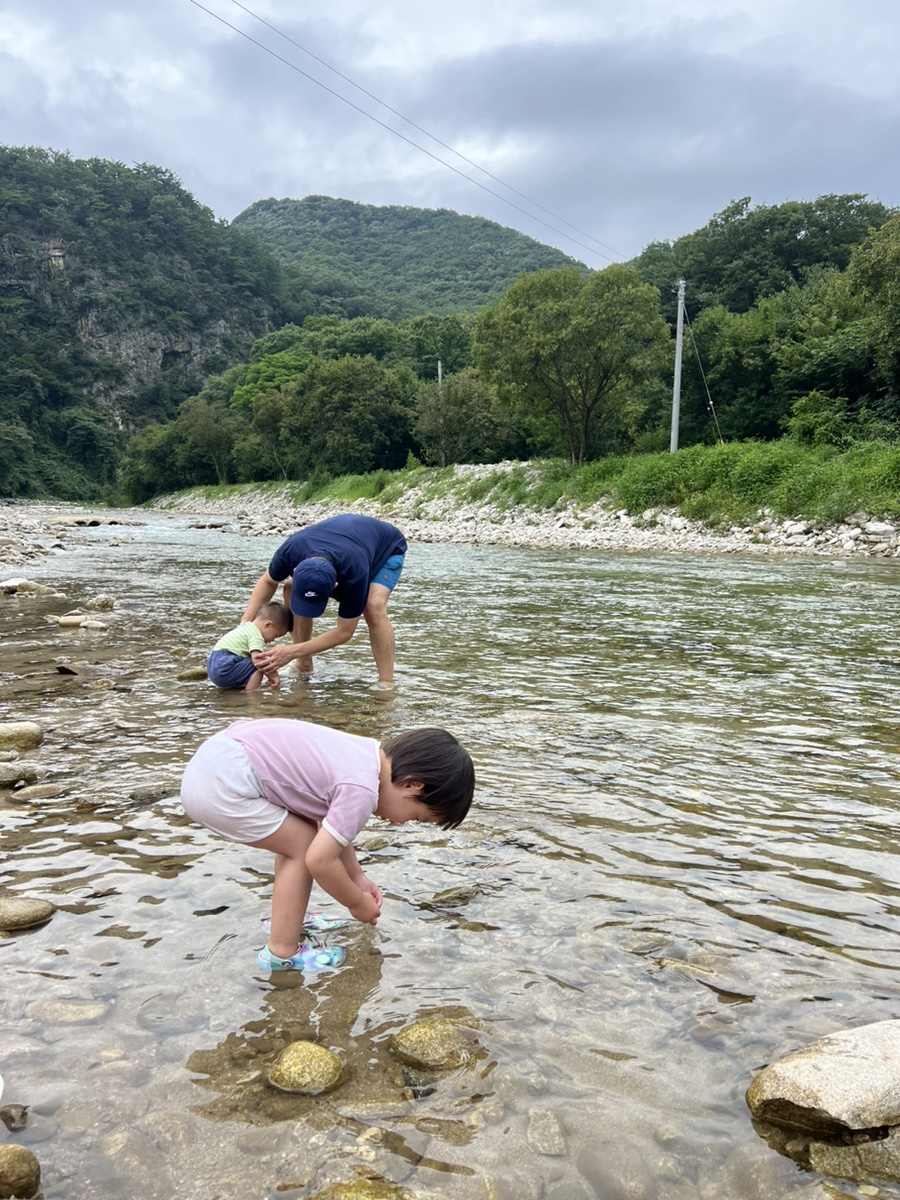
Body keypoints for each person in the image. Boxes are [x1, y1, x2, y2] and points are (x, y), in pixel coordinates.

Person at [179, 717, 475, 971]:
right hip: (221, 784)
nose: (403, 823)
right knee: (303, 847)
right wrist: (356, 903)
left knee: (302, 834)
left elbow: (329, 827)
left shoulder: (363, 756)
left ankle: (288, 921)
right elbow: (319, 860)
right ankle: (282, 953)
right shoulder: (362, 790)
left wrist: (357, 878)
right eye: (416, 817)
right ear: (412, 784)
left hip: (217, 758)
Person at [240, 514, 407, 691]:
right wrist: (245, 623)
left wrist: (291, 651)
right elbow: (268, 581)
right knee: (289, 588)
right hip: (342, 538)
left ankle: (386, 682)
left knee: (373, 605)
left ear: (336, 585)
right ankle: (304, 664)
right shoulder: (290, 551)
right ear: (295, 570)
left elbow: (345, 631)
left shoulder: (354, 573)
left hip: (387, 547)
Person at [206, 602, 293, 692]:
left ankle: (238, 686)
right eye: (275, 636)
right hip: (224, 669)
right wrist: (273, 675)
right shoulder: (256, 635)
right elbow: (257, 661)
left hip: (213, 667)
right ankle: (251, 692)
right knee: (260, 664)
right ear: (268, 625)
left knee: (254, 660)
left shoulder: (246, 626)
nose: (273, 640)